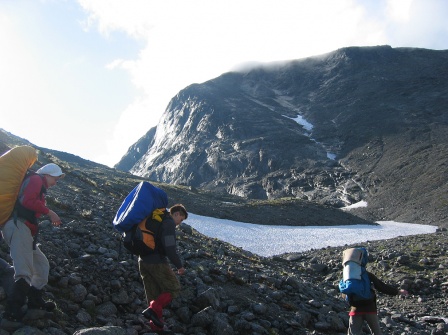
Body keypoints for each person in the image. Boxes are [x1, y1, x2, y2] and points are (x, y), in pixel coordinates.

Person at [0, 163, 64, 327]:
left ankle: (35, 300)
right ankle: (12, 311)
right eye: (56, 178)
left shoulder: (39, 184)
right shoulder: (36, 179)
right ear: (48, 175)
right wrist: (50, 212)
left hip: (25, 230)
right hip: (18, 227)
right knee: (24, 270)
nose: (56, 182)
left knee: (42, 265)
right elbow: (27, 201)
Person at [140, 204, 188, 332]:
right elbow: (170, 248)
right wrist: (179, 266)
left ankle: (157, 326)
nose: (180, 223)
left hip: (142, 260)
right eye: (181, 219)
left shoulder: (157, 219)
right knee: (174, 288)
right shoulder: (168, 223)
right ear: (176, 213)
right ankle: (151, 311)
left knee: (153, 294)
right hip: (156, 261)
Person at [346, 255, 409, 335]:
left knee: (353, 333)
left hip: (355, 310)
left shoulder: (347, 277)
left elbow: (344, 293)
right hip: (370, 309)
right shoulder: (367, 275)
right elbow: (381, 287)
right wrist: (398, 292)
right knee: (376, 333)